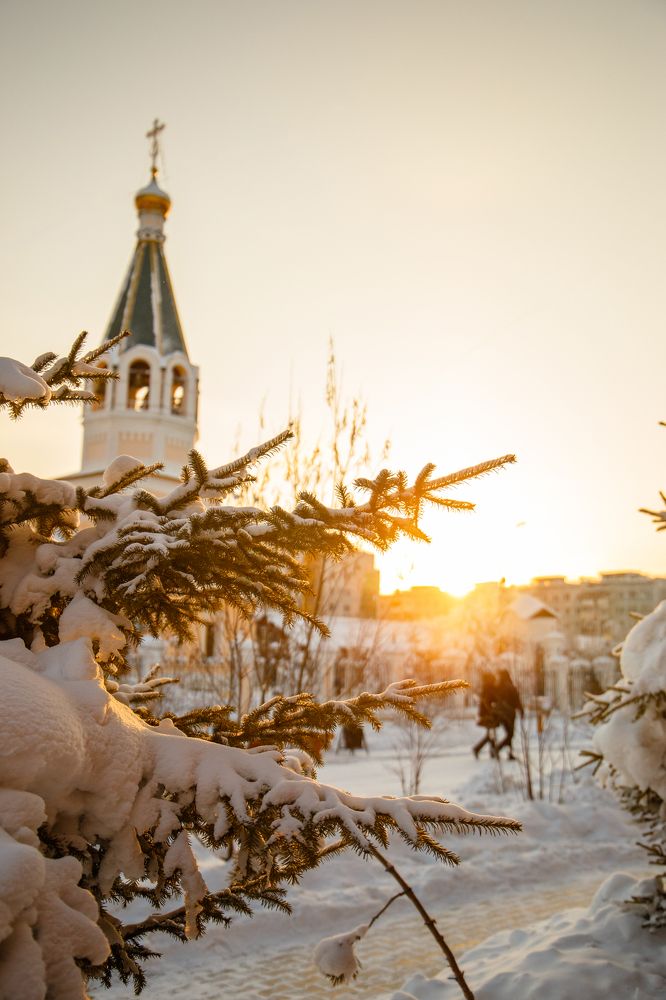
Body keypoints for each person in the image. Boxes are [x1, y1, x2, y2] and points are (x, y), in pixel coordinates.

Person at [494, 668, 523, 759]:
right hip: (510, 714)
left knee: (509, 734)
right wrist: (521, 710)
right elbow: (517, 700)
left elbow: (495, 700)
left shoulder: (498, 687)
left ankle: (509, 753)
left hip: (501, 714)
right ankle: (498, 748)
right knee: (510, 734)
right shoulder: (510, 686)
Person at [472, 670, 500, 758]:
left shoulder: (486, 688)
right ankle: (479, 749)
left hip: (485, 714)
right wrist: (491, 710)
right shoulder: (489, 688)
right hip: (488, 715)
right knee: (491, 733)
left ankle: (492, 751)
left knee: (490, 734)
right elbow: (487, 702)